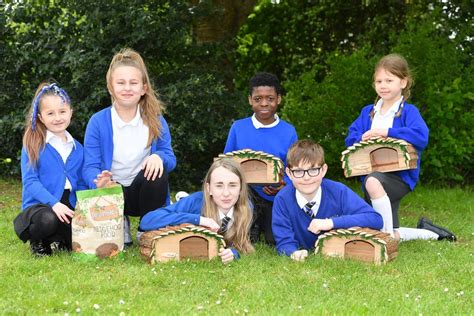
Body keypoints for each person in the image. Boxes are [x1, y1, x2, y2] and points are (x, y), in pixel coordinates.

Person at [345, 53, 456, 242]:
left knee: (374, 189)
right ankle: (432, 233)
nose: (383, 85)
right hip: (370, 176)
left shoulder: (408, 112)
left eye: (389, 80)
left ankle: (385, 241)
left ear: (403, 82)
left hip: (400, 177)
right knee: (381, 228)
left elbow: (421, 136)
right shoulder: (368, 113)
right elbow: (350, 138)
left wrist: (387, 132)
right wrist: (360, 137)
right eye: (379, 81)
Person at [83, 48, 176, 246]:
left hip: (143, 191)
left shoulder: (156, 120)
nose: (127, 88)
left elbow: (170, 157)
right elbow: (89, 166)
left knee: (158, 170)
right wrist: (97, 181)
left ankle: (148, 227)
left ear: (143, 88)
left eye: (133, 83)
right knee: (108, 184)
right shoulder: (98, 122)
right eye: (121, 82)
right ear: (110, 87)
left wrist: (159, 157)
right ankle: (119, 222)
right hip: (112, 192)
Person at [272, 140, 383, 261]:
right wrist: (293, 253)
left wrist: (331, 223)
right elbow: (283, 241)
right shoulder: (282, 199)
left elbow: (375, 219)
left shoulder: (338, 191)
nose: (307, 177)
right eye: (298, 171)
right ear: (289, 173)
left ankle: (402, 233)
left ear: (324, 170)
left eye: (313, 170)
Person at [224, 72, 298, 245]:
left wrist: (284, 184)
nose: (264, 103)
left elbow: (294, 166)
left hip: (276, 195)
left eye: (270, 98)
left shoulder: (288, 131)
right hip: (244, 194)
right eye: (258, 99)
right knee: (248, 237)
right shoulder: (238, 128)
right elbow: (225, 165)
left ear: (278, 99)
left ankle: (265, 224)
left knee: (273, 239)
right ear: (250, 99)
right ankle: (249, 226)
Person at [13, 82, 86, 256]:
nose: (58, 117)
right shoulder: (33, 144)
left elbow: (82, 181)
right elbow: (30, 182)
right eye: (50, 113)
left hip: (70, 202)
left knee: (79, 235)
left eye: (62, 111)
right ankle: (39, 241)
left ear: (70, 112)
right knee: (48, 219)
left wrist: (83, 207)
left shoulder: (78, 148)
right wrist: (54, 203)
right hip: (41, 205)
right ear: (40, 117)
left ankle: (60, 239)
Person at [140, 159, 254, 264]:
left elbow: (240, 245)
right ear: (209, 189)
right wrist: (198, 219)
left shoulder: (246, 207)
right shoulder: (196, 202)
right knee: (182, 207)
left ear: (241, 189)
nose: (226, 193)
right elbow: (146, 221)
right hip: (191, 207)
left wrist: (233, 253)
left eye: (232, 185)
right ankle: (181, 200)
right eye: (219, 185)